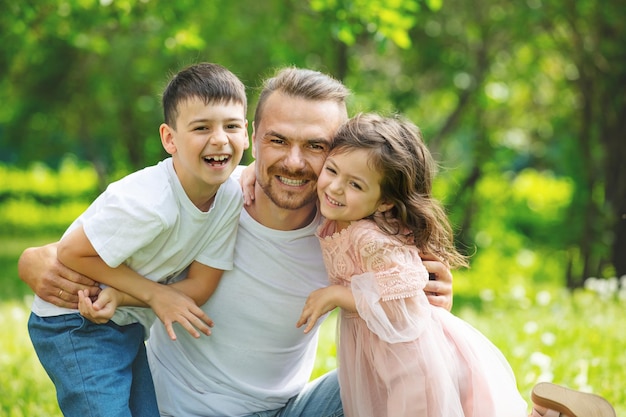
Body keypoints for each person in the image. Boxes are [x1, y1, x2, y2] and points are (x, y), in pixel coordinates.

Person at [18, 67, 454, 416]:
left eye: (316, 146)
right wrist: (35, 261)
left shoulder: (348, 233)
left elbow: (413, 299)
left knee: (420, 369)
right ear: (252, 139)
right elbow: (83, 244)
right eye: (278, 141)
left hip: (289, 409)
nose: (294, 162)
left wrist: (434, 297)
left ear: (338, 153)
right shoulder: (210, 199)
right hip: (177, 408)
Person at [295, 112, 617, 417]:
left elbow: (403, 287)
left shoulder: (367, 235)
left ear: (385, 202)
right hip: (387, 352)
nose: (335, 187)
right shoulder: (344, 216)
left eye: (356, 184)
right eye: (332, 170)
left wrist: (337, 296)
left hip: (407, 363)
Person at [26, 62, 249, 417]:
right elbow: (71, 252)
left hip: (124, 320)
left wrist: (124, 295)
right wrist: (153, 293)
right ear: (169, 139)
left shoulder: (229, 198)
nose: (220, 138)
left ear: (247, 134)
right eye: (202, 127)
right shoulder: (151, 202)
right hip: (73, 320)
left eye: (232, 126)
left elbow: (201, 285)